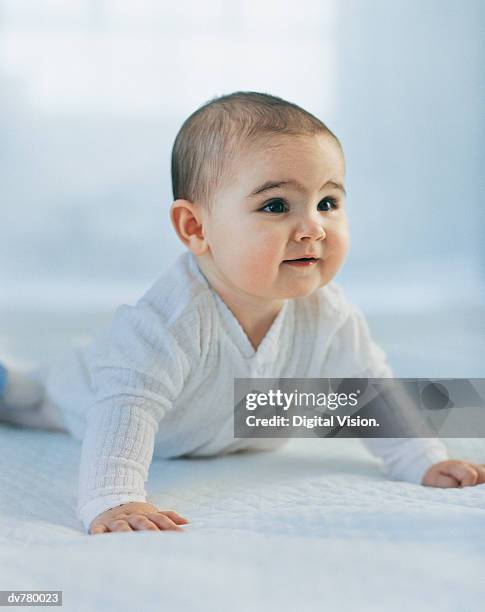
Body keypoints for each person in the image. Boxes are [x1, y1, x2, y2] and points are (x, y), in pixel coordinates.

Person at [1, 91, 484, 536]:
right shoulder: (166, 323)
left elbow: (369, 391)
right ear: (195, 227)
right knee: (33, 398)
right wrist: (116, 497)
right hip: (88, 388)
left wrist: (420, 458)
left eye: (328, 202)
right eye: (276, 205)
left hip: (211, 427)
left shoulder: (328, 313)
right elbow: (125, 406)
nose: (313, 226)